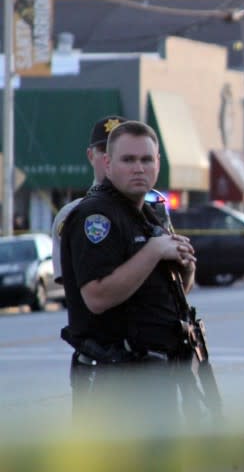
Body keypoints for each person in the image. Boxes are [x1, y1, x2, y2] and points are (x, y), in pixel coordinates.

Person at [59, 120, 208, 427]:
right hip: (115, 382)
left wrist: (185, 264)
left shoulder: (148, 214)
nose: (138, 168)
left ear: (158, 164)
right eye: (128, 160)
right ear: (108, 163)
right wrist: (153, 251)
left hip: (156, 376)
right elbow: (97, 297)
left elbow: (167, 294)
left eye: (146, 159)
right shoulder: (96, 216)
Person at [51, 115, 127, 285]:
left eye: (118, 151)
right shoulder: (70, 215)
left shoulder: (152, 209)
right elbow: (75, 287)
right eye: (103, 150)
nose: (110, 158)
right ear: (90, 156)